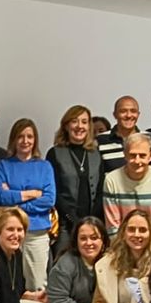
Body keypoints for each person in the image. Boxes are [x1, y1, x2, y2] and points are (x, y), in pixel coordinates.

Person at [0, 118, 56, 286]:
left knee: (36, 283)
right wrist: (31, 194)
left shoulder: (45, 166)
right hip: (9, 231)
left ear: (35, 140)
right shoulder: (3, 165)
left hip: (37, 233)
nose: (25, 141)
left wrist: (14, 202)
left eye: (29, 136)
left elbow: (49, 200)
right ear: (13, 139)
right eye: (20, 136)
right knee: (9, 282)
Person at [48, 104, 104, 253]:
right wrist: (74, 220)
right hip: (66, 225)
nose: (80, 126)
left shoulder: (96, 153)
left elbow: (100, 189)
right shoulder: (55, 153)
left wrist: (91, 221)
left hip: (93, 223)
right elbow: (55, 192)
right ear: (66, 126)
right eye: (75, 121)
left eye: (84, 122)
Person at [103, 133, 151, 232]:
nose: (137, 161)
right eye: (132, 155)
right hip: (121, 244)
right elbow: (113, 227)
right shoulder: (112, 180)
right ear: (125, 154)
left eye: (142, 155)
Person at [97, 95, 140, 174]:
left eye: (133, 111)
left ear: (138, 114)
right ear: (115, 114)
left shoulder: (148, 138)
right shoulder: (100, 140)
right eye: (123, 111)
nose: (128, 115)